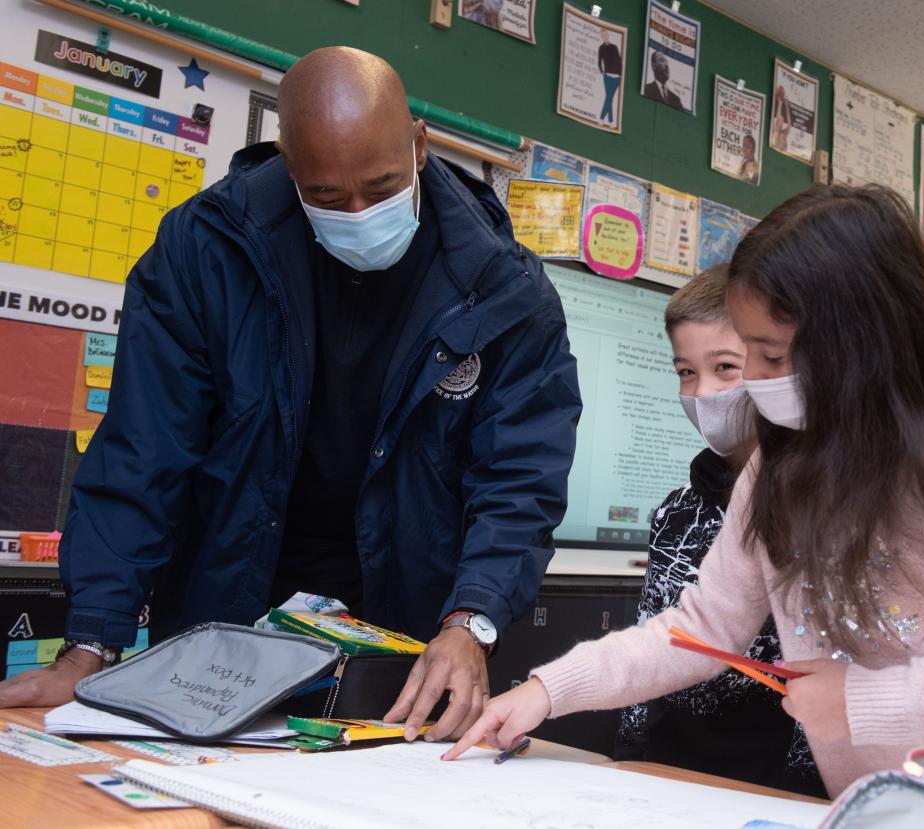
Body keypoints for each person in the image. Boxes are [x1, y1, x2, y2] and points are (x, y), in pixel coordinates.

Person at [446, 184, 924, 797]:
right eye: (753, 350)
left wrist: (865, 702)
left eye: (773, 355)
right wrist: (547, 689)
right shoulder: (780, 466)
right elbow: (698, 628)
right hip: (881, 804)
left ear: (861, 343)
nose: (758, 380)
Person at [0, 48, 582, 746]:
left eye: (383, 185)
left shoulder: (505, 290)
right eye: (330, 198)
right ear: (288, 164)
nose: (360, 212)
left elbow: (518, 481)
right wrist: (90, 644)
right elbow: (143, 450)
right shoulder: (205, 251)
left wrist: (471, 623)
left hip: (406, 644)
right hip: (224, 629)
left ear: (421, 147)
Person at [613, 266, 823, 796]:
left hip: (778, 785)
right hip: (670, 772)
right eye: (686, 372)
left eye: (724, 368)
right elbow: (654, 631)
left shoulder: (821, 509)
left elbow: (824, 666)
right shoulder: (677, 510)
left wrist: (805, 791)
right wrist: (630, 754)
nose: (702, 392)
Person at [598, 28, 623, 126]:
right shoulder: (601, 48)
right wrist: (602, 71)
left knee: (609, 98)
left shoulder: (614, 47)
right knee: (609, 98)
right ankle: (608, 120)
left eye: (606, 35)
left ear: (608, 35)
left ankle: (607, 120)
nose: (605, 37)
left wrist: (620, 75)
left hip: (617, 76)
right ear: (601, 36)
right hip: (607, 75)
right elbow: (599, 60)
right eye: (603, 35)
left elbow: (619, 61)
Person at [770, 85, 791, 153]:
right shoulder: (781, 133)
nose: (783, 141)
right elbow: (789, 123)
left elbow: (780, 119)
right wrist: (785, 105)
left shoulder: (775, 134)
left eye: (781, 143)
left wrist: (781, 104)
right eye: (784, 143)